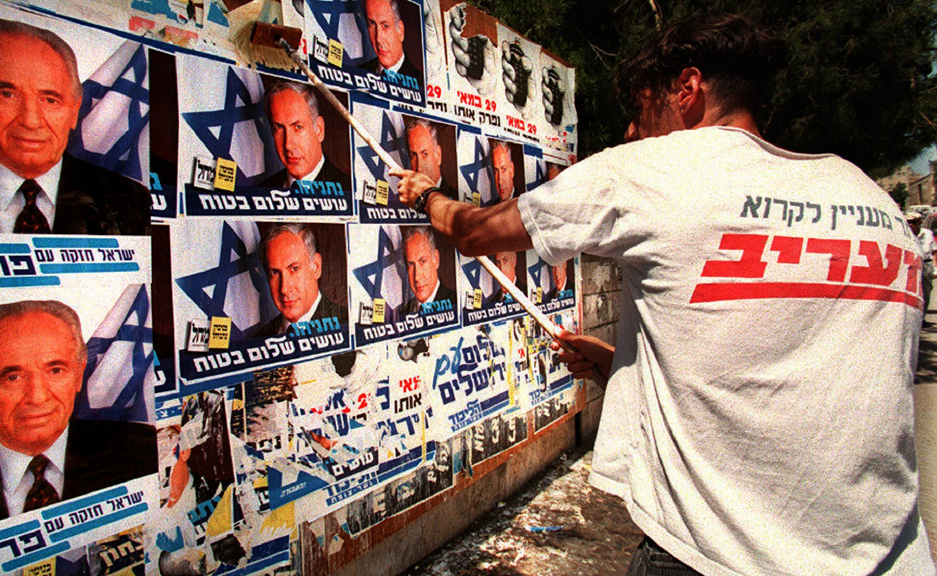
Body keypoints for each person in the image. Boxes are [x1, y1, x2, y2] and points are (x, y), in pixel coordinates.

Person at [394, 12, 936, 576]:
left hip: (717, 558)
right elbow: (774, 372)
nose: (631, 132)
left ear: (688, 89)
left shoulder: (654, 171)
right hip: (894, 559)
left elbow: (476, 231)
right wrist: (618, 364)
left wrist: (429, 195)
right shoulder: (873, 204)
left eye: (641, 109)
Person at [0, 300, 157, 537]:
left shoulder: (144, 452)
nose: (37, 397)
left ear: (78, 375)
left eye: (55, 371)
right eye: (13, 377)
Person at [0, 17, 149, 235]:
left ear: (74, 109)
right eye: (7, 94)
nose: (31, 121)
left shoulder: (131, 201)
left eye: (50, 100)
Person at [251, 224, 346, 337]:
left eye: (294, 269)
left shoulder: (349, 325)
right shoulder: (259, 339)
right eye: (275, 273)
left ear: (316, 267)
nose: (284, 289)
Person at [260, 81, 347, 189]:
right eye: (279, 128)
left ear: (319, 130)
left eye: (298, 127)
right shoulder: (259, 191)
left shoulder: (350, 190)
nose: (288, 145)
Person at [360, 0, 422, 84]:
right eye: (372, 24)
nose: (378, 38)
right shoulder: (359, 73)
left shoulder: (421, 83)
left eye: (385, 26)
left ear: (400, 30)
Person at [401, 226, 454, 316]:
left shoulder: (456, 303)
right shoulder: (403, 313)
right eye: (411, 264)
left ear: (436, 259)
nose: (417, 277)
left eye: (422, 261)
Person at [405, 117, 456, 199]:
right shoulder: (406, 198)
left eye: (425, 154)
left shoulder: (456, 200)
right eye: (414, 155)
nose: (419, 167)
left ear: (438, 156)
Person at [908, 212, 935, 315]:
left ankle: (922, 317)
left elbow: (934, 250)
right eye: (909, 222)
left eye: (913, 222)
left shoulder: (927, 234)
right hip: (911, 264)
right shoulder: (905, 234)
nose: (911, 224)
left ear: (919, 222)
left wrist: (935, 266)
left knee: (926, 292)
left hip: (926, 264)